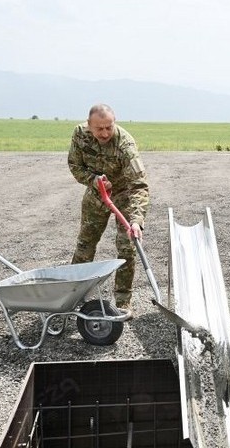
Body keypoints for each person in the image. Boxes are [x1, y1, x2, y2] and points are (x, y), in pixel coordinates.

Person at [68, 103, 149, 315]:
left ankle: (122, 302)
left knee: (127, 247)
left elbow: (139, 186)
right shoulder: (80, 135)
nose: (105, 133)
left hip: (123, 195)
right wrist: (93, 180)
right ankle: (71, 295)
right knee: (85, 244)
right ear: (89, 126)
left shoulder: (125, 145)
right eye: (99, 128)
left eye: (109, 127)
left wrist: (136, 220)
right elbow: (75, 166)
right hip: (97, 193)